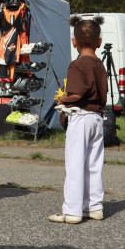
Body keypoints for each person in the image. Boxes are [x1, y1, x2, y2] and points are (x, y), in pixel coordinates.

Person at [50, 16, 108, 224]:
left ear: (74, 42)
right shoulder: (99, 64)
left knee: (75, 164)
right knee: (93, 164)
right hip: (96, 118)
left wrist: (62, 98)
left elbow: (75, 93)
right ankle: (94, 207)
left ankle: (72, 211)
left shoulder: (77, 64)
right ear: (99, 42)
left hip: (81, 118)